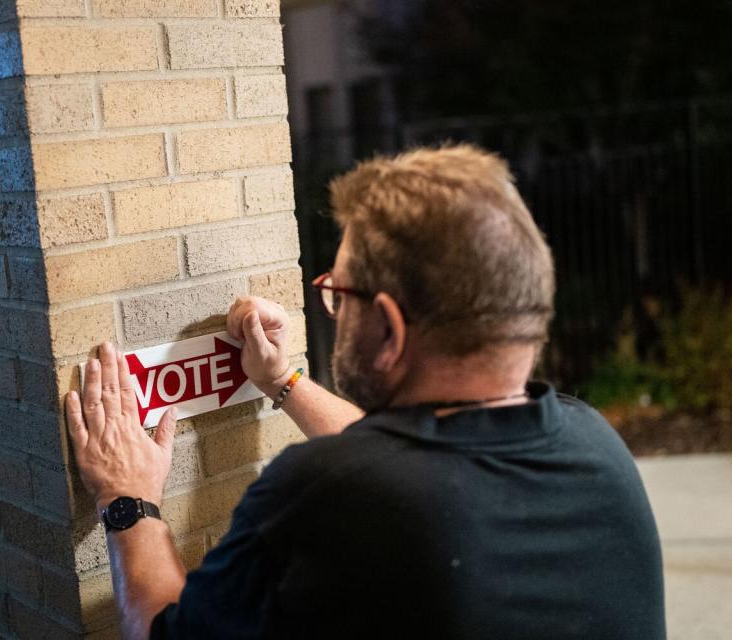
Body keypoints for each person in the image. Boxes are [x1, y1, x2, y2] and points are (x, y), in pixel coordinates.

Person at [64, 145, 665, 639]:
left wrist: (127, 499)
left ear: (390, 327)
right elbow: (418, 465)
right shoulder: (596, 447)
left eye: (338, 294)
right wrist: (283, 382)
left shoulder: (324, 491)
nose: (331, 308)